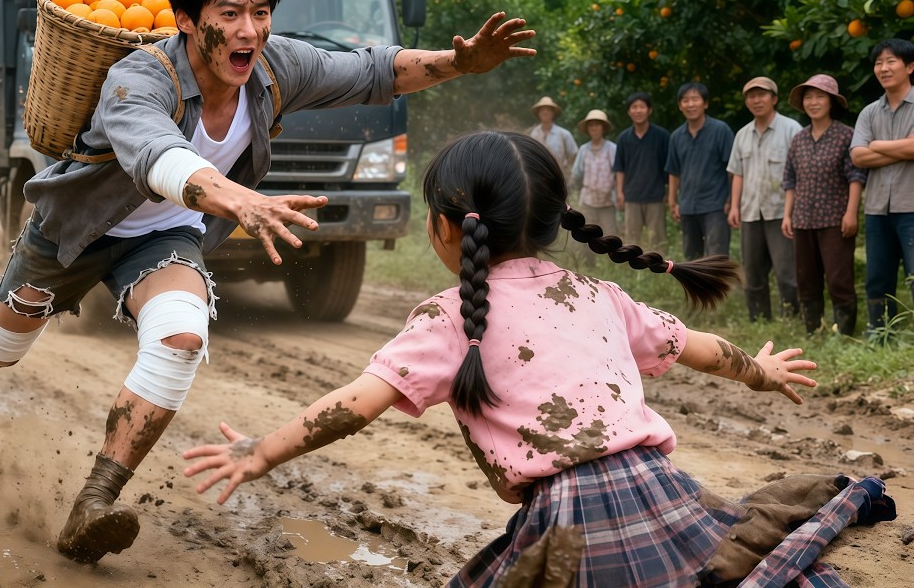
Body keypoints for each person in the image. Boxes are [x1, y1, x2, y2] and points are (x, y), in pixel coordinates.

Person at [0, 0, 537, 564]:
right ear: (185, 20)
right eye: (229, 14)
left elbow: (373, 70)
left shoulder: (275, 68)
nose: (249, 31)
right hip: (75, 231)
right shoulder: (137, 77)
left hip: (163, 233)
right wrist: (239, 200)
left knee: (181, 337)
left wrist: (461, 63)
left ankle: (94, 501)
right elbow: (157, 155)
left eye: (260, 14)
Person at [183, 131, 886, 586]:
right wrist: (760, 370)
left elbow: (352, 407)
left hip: (571, 520)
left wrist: (261, 451)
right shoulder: (597, 291)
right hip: (667, 493)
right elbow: (700, 349)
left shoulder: (445, 316)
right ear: (554, 223)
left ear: (444, 230)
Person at [782, 75, 865, 336]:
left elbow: (856, 176)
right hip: (803, 219)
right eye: (808, 97)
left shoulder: (846, 135)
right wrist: (787, 215)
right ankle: (813, 329)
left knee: (839, 278)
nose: (813, 102)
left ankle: (845, 332)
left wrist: (851, 213)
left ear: (831, 102)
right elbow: (790, 179)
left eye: (820, 97)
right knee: (806, 279)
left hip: (835, 219)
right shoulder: (799, 138)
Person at [850, 38, 914, 337]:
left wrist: (875, 145)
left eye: (891, 61)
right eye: (878, 62)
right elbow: (857, 155)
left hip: (911, 205)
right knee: (877, 277)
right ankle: (880, 333)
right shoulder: (869, 113)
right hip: (877, 209)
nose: (883, 68)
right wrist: (901, 148)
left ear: (910, 66)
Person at [727, 77, 802, 322]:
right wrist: (735, 206)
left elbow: (801, 172)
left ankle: (790, 317)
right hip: (750, 211)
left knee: (786, 272)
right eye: (751, 96)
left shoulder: (791, 129)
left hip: (781, 212)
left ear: (774, 99)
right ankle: (759, 318)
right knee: (753, 271)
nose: (756, 100)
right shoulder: (742, 134)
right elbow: (737, 173)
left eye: (762, 95)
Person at [666, 82, 734, 260]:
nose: (690, 104)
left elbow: (732, 170)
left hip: (716, 206)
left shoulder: (721, 130)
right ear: (680, 105)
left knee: (716, 255)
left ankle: (718, 289)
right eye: (685, 100)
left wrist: (731, 200)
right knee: (692, 258)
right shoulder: (676, 136)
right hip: (688, 206)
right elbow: (674, 171)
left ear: (705, 103)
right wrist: (673, 202)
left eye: (695, 99)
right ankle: (696, 289)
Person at [614, 91, 670, 252]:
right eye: (634, 107)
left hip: (656, 195)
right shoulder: (624, 138)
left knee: (657, 239)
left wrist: (668, 192)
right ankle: (635, 272)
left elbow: (668, 167)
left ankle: (660, 272)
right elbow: (620, 168)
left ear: (649, 110)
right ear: (629, 111)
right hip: (632, 196)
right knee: (632, 241)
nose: (638, 111)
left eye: (642, 107)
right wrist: (620, 192)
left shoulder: (662, 136)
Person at [571, 109, 617, 264]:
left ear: (603, 128)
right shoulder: (583, 149)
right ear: (588, 129)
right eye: (591, 125)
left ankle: (609, 265)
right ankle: (588, 265)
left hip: (607, 201)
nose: (594, 128)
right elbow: (576, 174)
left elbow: (618, 175)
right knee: (586, 235)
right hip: (588, 200)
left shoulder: (612, 149)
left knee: (610, 235)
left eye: (597, 125)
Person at [527, 96, 577, 181]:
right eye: (542, 110)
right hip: (538, 178)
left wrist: (566, 166)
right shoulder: (534, 133)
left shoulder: (563, 134)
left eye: (548, 110)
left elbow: (573, 152)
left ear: (553, 113)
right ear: (538, 113)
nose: (545, 112)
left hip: (559, 177)